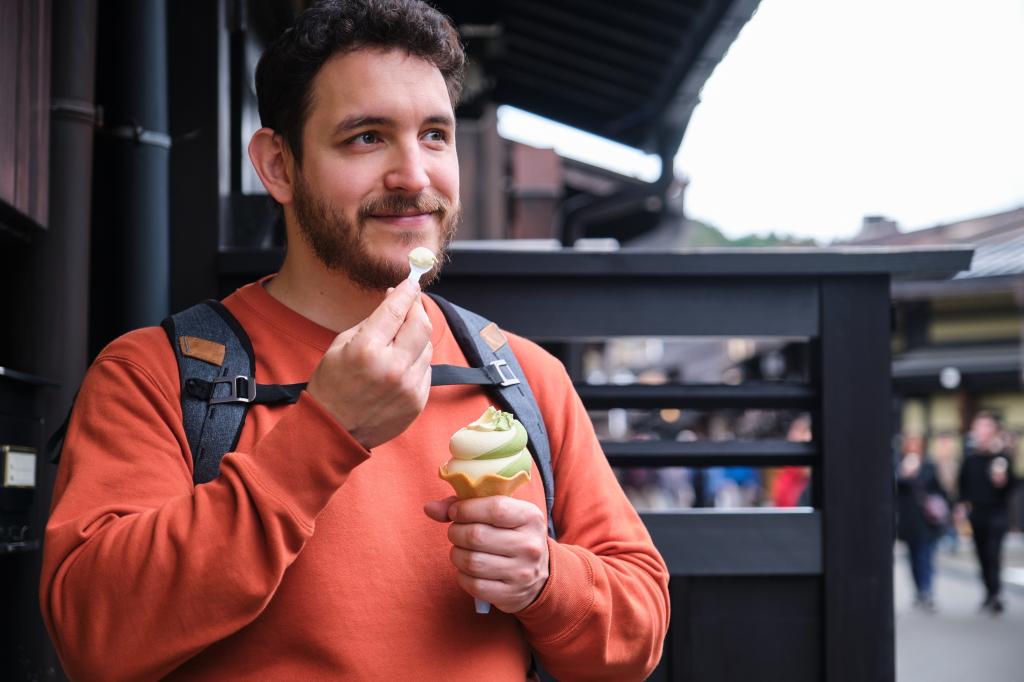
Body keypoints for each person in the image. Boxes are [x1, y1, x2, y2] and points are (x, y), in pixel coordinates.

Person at [39, 2, 670, 679]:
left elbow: (636, 638)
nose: (415, 176)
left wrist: (547, 579)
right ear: (278, 165)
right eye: (367, 137)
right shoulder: (155, 374)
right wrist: (324, 432)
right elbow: (94, 635)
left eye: (434, 135)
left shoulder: (521, 376)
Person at [957, 411, 1018, 614]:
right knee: (982, 555)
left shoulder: (1001, 458)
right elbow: (962, 487)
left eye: (986, 427)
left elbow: (1012, 486)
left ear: (993, 431)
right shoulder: (971, 459)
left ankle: (996, 593)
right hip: (977, 512)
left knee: (993, 553)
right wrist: (960, 507)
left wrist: (1002, 481)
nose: (982, 431)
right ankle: (989, 593)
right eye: (979, 427)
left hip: (997, 513)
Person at [895, 435, 947, 611]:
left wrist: (915, 474)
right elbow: (895, 487)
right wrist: (904, 473)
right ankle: (919, 591)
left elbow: (937, 488)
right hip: (909, 520)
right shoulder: (899, 466)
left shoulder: (928, 466)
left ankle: (927, 590)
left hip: (927, 521)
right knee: (912, 558)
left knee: (925, 556)